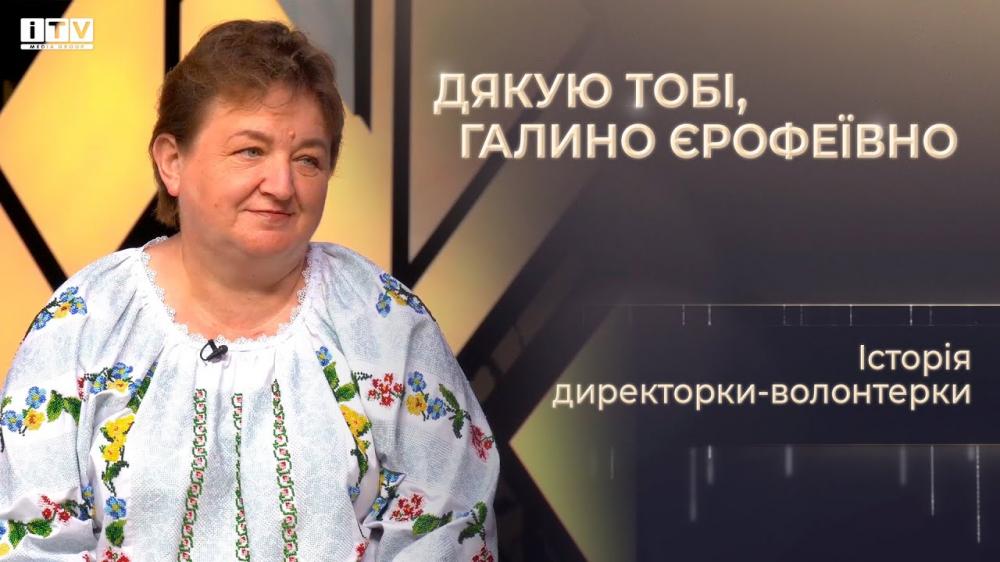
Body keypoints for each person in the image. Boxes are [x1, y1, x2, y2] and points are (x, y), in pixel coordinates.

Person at [0, 19, 499, 562]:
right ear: (172, 161)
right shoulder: (84, 322)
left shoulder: (386, 323)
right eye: (251, 151)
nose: (282, 186)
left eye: (308, 159)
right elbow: (27, 537)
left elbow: (449, 524)